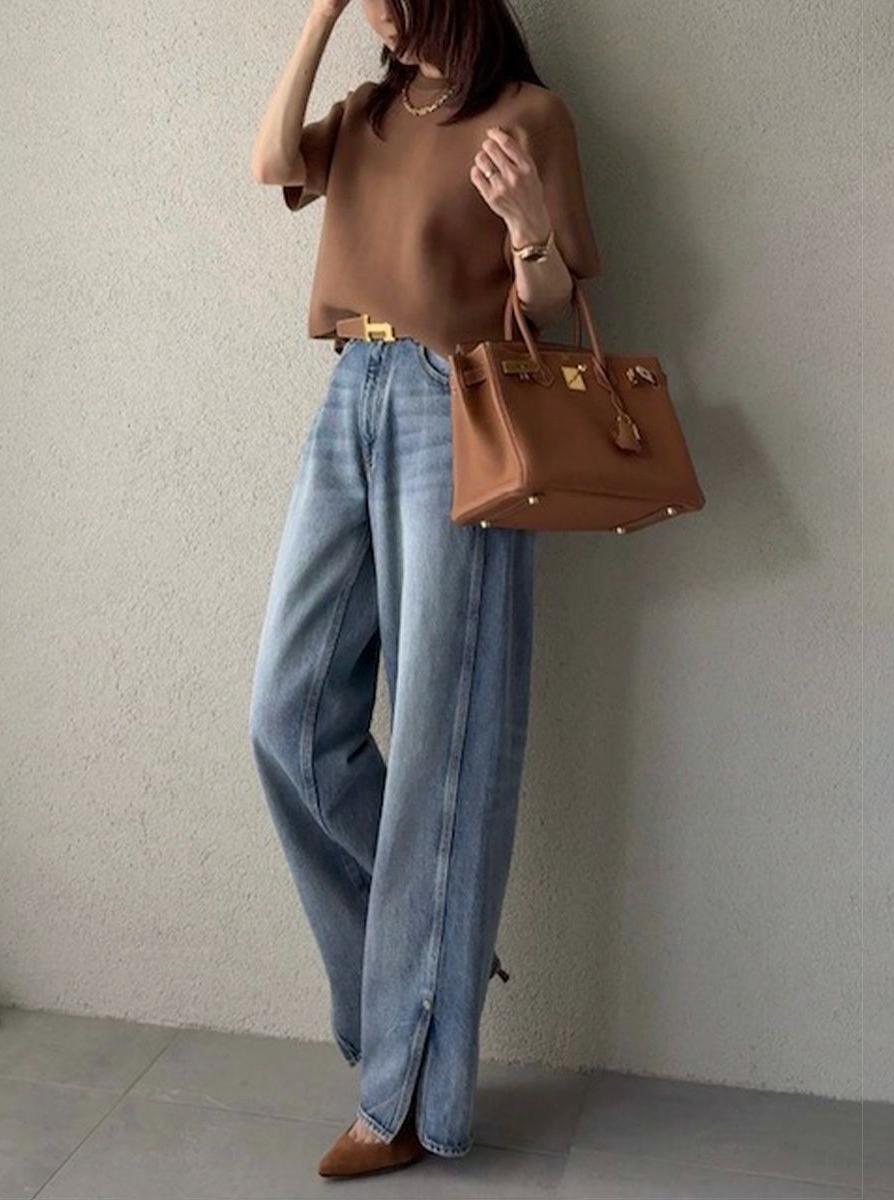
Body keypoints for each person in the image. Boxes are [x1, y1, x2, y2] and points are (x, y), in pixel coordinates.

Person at [247, 0, 600, 1179]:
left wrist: (529, 226)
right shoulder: (367, 112)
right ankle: (437, 944)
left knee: (441, 751)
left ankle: (402, 1101)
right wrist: (319, 18)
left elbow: (551, 310)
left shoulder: (528, 116)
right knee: (287, 722)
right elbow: (268, 163)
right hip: (348, 391)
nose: (380, 13)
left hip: (459, 409)